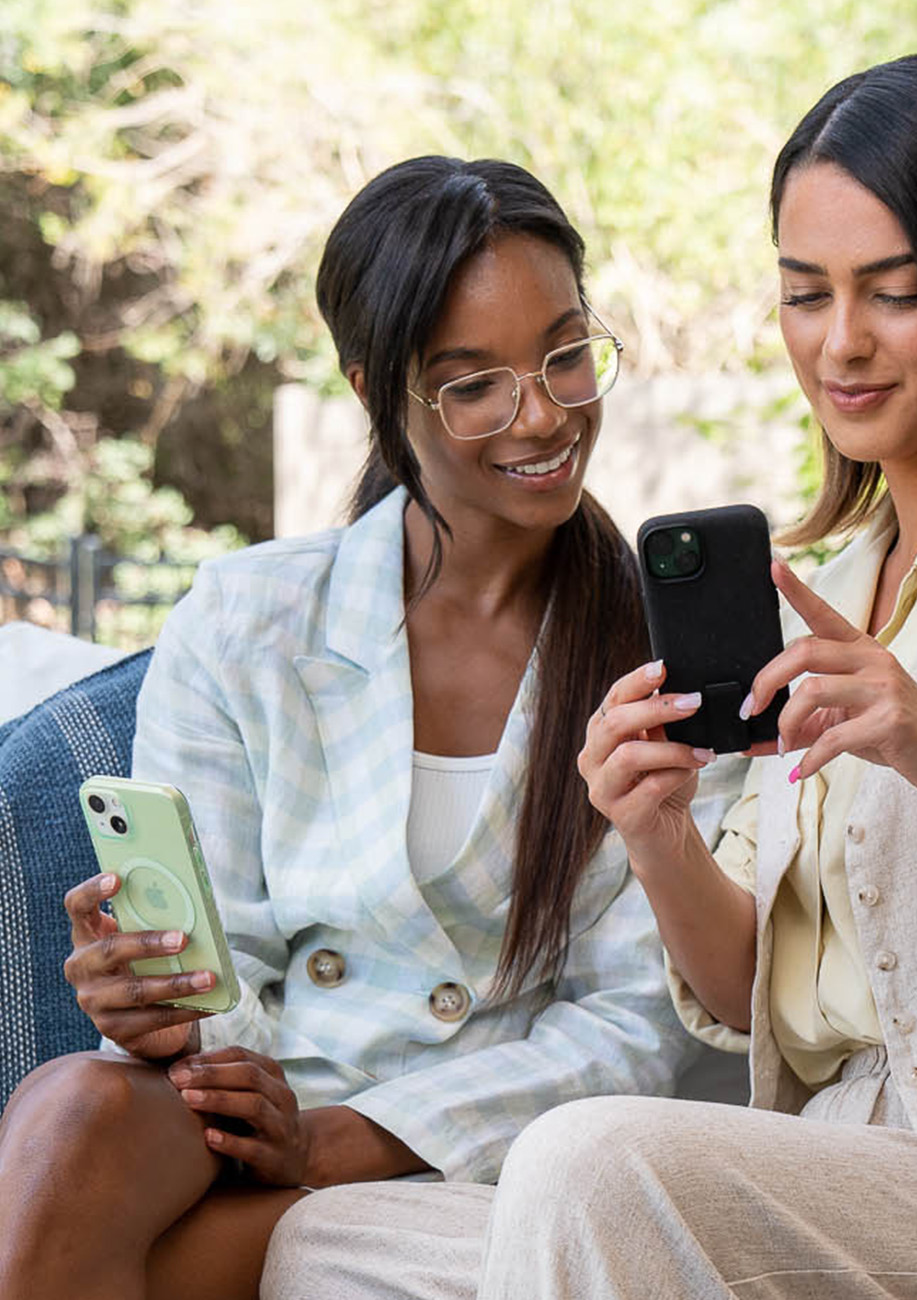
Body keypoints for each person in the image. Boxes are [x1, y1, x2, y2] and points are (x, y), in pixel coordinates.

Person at [261, 53, 917, 1300]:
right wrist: (653, 839)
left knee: (590, 1163)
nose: (840, 343)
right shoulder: (830, 577)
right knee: (336, 1240)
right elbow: (748, 990)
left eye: (894, 293)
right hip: (858, 1156)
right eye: (805, 295)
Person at [0, 156, 730, 1300]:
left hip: (468, 1157)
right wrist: (150, 1001)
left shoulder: (661, 657)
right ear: (375, 388)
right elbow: (216, 955)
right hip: (238, 1116)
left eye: (565, 354)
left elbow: (637, 1025)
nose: (541, 412)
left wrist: (350, 1136)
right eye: (471, 382)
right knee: (71, 1104)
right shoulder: (248, 617)